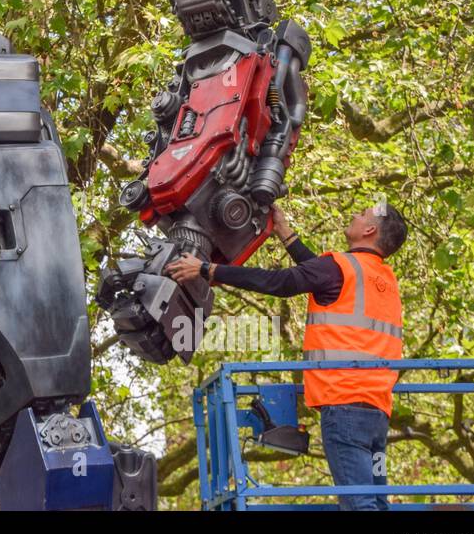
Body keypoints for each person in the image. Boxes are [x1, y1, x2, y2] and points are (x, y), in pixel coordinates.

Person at [165, 202, 408, 510]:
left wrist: (207, 269)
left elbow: (280, 282)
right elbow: (316, 274)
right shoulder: (383, 279)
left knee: (360, 506)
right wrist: (284, 232)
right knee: (375, 502)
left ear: (370, 230)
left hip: (345, 406)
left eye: (363, 214)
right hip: (375, 412)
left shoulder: (341, 267)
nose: (355, 215)